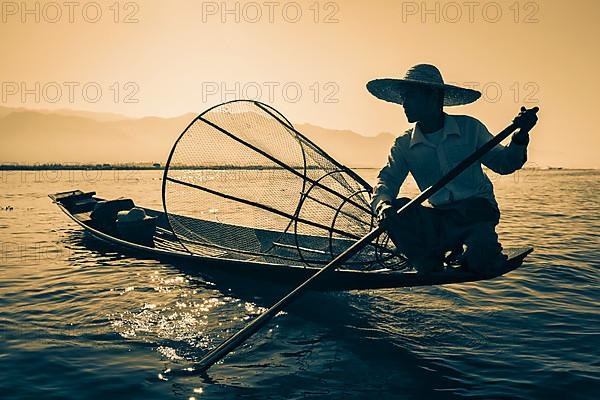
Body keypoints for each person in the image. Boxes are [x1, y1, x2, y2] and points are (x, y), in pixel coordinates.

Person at [366, 64, 538, 274]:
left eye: (410, 96)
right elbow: (387, 181)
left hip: (476, 212)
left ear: (432, 97)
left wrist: (520, 136)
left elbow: (504, 164)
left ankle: (473, 249)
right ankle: (431, 257)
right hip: (439, 219)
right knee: (399, 209)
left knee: (480, 263)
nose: (404, 104)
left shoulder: (469, 128)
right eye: (403, 97)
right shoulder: (404, 144)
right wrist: (383, 205)